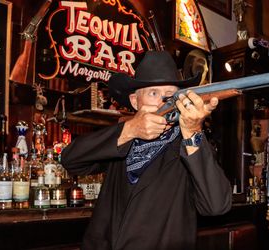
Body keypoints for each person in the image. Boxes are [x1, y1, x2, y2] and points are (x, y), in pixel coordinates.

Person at [61, 51, 232, 250]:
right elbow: (70, 159)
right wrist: (129, 130)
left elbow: (216, 205)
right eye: (153, 93)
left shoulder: (190, 144)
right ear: (135, 101)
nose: (163, 102)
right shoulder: (122, 138)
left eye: (170, 95)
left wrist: (193, 131)